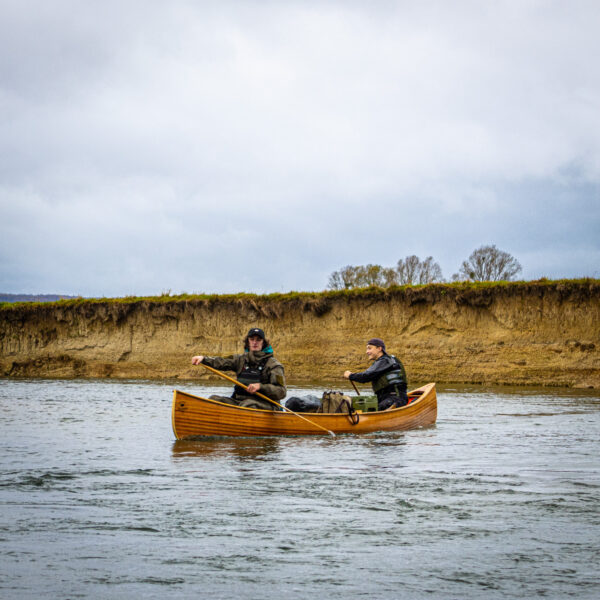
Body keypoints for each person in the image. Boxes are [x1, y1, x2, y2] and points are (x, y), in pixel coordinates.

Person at [191, 327, 286, 410]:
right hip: (240, 401)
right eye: (252, 339)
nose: (255, 342)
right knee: (214, 400)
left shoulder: (274, 365)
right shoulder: (240, 360)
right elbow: (221, 361)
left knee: (248, 404)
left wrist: (260, 387)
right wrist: (203, 359)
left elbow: (281, 391)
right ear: (248, 342)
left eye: (258, 340)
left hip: (266, 405)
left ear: (263, 343)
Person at [343, 338, 408, 410]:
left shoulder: (385, 361)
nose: (367, 352)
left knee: (374, 410)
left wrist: (350, 375)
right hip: (387, 399)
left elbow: (366, 377)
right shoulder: (383, 361)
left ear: (379, 348)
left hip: (395, 400)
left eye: (369, 348)